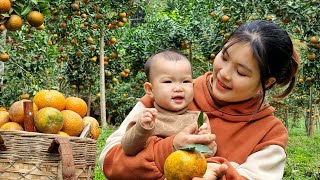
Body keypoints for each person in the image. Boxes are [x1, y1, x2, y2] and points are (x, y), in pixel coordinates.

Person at [99, 20, 299, 179]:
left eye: (241, 72)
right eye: (225, 57)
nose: (224, 73)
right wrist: (169, 148)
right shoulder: (171, 93)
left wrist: (216, 171)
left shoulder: (269, 133)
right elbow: (109, 161)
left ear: (266, 82)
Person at [121, 50, 213, 156]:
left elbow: (209, 153)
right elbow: (127, 149)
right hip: (154, 170)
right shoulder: (147, 118)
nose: (179, 88)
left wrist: (204, 140)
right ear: (150, 89)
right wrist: (142, 129)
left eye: (186, 81)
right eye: (168, 82)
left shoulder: (198, 119)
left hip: (190, 169)